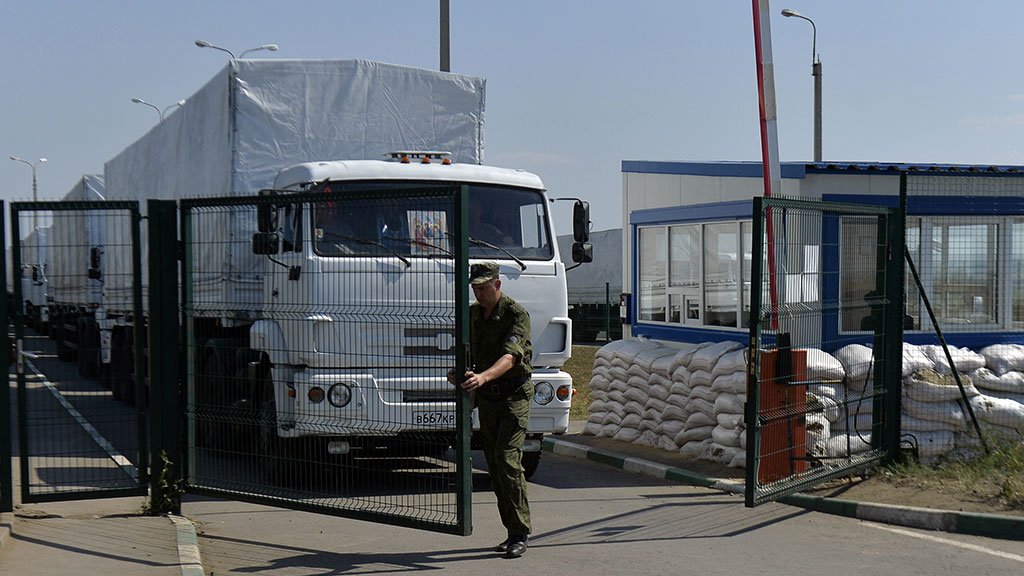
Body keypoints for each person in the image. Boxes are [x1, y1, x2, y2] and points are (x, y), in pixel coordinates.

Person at [449, 261, 533, 558]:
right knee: (495, 468)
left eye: (483, 288)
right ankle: (511, 531)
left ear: (497, 285)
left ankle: (520, 532)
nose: (479, 294)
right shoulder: (473, 314)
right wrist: (459, 372)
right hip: (487, 399)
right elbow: (467, 350)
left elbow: (510, 358)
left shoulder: (516, 314)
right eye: (475, 288)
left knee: (507, 460)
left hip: (513, 396)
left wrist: (483, 376)